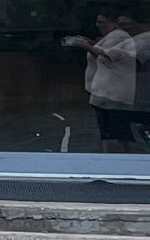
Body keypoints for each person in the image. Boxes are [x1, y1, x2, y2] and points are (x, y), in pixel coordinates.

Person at [63, 12, 149, 153]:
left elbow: (115, 57)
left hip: (116, 96)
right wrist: (91, 44)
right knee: (115, 134)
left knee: (120, 135)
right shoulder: (127, 38)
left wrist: (86, 46)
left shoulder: (138, 39)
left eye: (126, 24)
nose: (123, 28)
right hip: (107, 95)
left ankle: (123, 160)